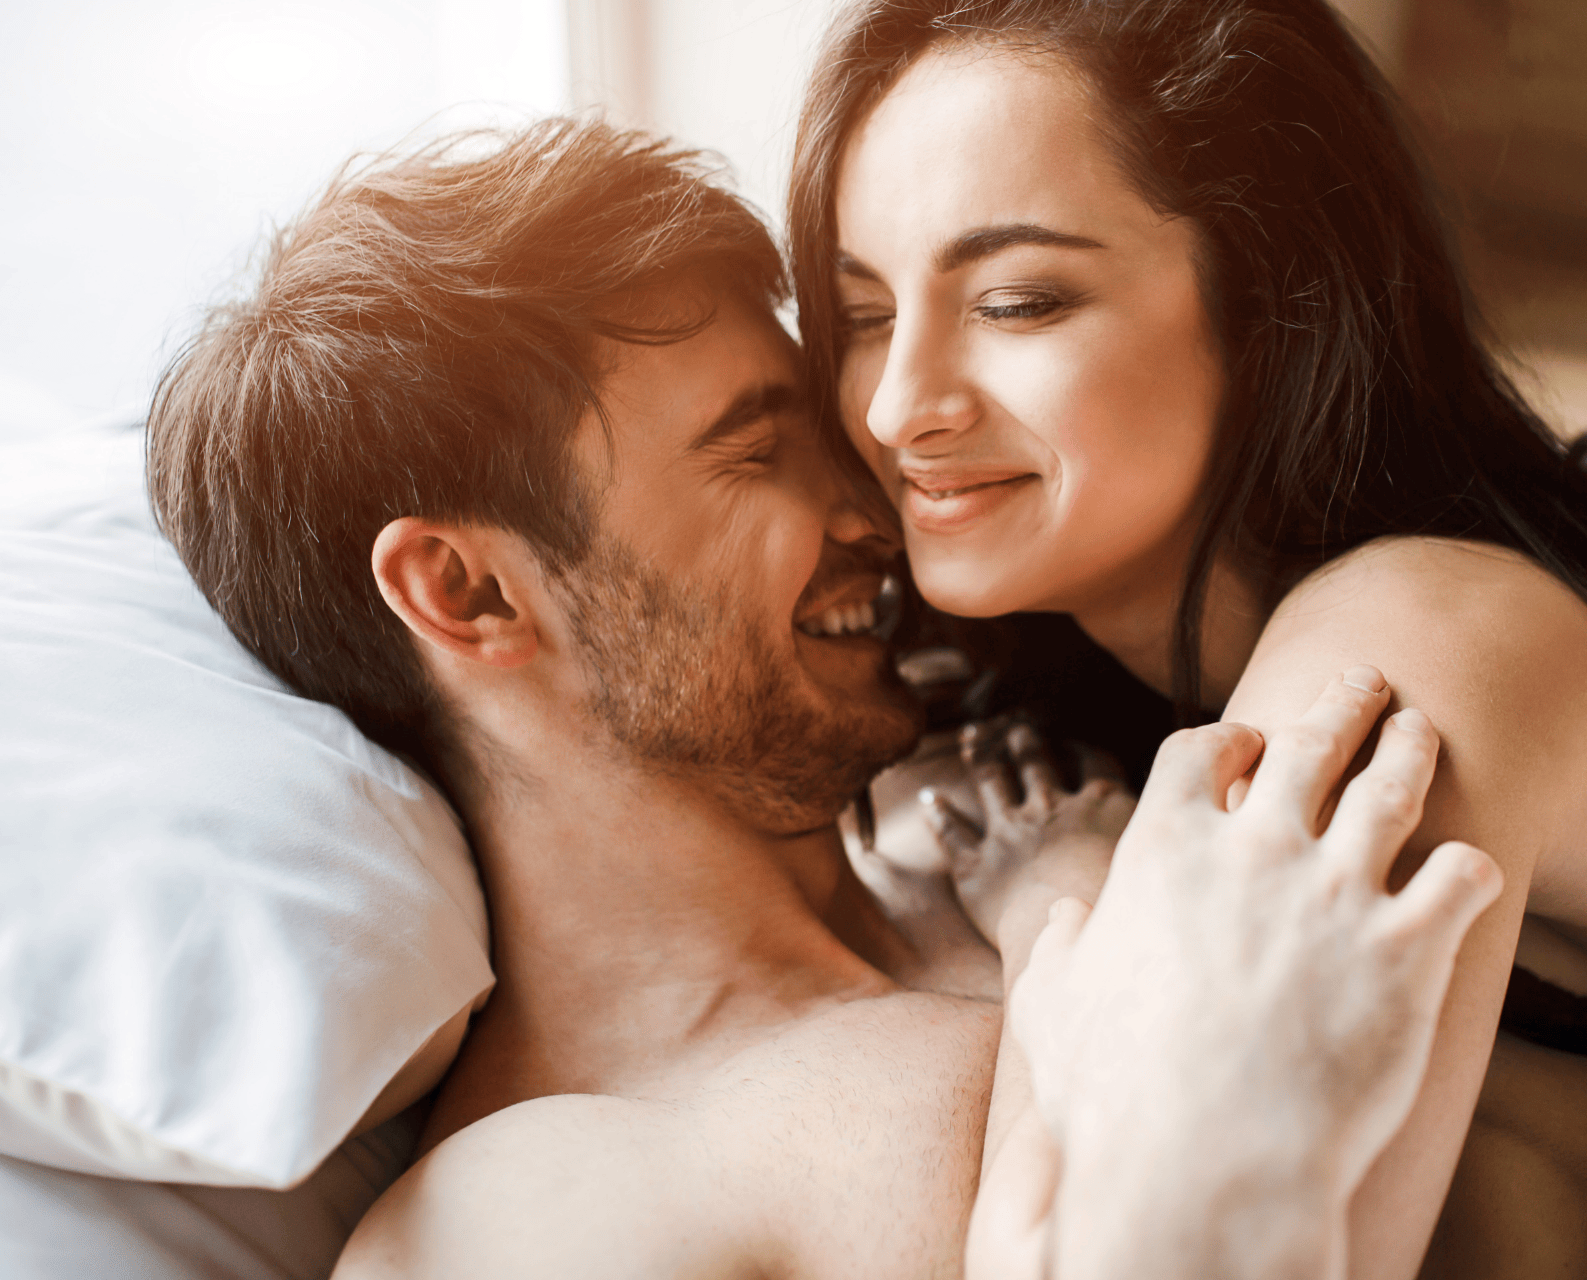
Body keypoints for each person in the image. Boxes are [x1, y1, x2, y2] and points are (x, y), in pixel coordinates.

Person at [144, 118, 1501, 1279]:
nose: (873, 501)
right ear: (471, 593)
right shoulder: (534, 1212)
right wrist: (1070, 927)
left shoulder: (1020, 798)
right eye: (753, 451)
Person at [788, 1, 1587, 1275]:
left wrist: (1054, 897)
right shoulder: (1086, 685)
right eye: (861, 315)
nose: (898, 405)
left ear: (1272, 304)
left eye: (1018, 302)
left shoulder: (1402, 655)